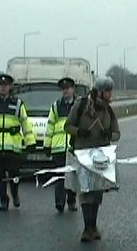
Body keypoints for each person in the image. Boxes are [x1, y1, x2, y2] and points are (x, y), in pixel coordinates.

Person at [65, 76, 120, 242]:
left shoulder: (109, 111)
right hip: (82, 157)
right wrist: (79, 132)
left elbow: (117, 134)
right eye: (108, 91)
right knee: (85, 192)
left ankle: (93, 227)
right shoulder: (80, 106)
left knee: (96, 193)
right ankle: (87, 228)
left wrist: (109, 134)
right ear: (100, 92)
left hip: (101, 159)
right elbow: (67, 126)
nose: (110, 95)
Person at [0, 73, 36, 211]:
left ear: (9, 87)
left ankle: (15, 194)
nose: (3, 88)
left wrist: (30, 142)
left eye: (6, 85)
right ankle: (4, 200)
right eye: (1, 85)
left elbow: (25, 124)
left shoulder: (17, 104)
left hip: (14, 148)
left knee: (14, 175)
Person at [43, 77, 77, 213]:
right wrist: (47, 145)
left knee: (72, 176)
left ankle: (72, 201)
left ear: (73, 89)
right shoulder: (56, 106)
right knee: (59, 176)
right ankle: (59, 202)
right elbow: (50, 126)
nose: (65, 91)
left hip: (73, 148)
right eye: (63, 89)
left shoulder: (78, 106)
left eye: (68, 88)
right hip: (58, 148)